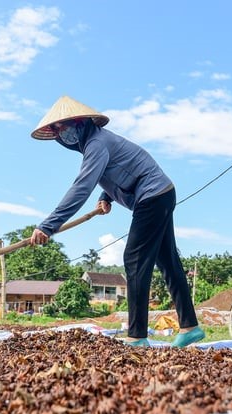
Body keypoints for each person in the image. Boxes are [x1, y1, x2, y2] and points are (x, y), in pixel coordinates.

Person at [29, 95, 205, 348]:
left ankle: (137, 336)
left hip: (153, 196)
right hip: (162, 193)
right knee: (168, 261)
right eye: (55, 129)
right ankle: (190, 327)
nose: (60, 133)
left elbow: (81, 187)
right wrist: (106, 196)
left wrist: (48, 225)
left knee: (134, 259)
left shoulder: (97, 143)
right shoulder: (96, 144)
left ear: (80, 122)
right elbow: (120, 168)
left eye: (63, 126)